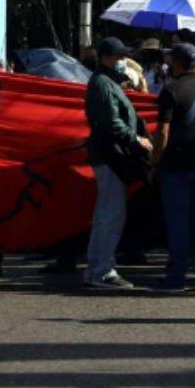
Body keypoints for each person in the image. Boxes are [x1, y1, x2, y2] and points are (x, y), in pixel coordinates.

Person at [83, 37, 147, 290]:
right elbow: (111, 123)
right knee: (111, 214)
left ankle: (96, 267)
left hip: (109, 154)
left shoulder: (107, 82)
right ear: (107, 58)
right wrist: (136, 139)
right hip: (110, 153)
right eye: (119, 57)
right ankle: (102, 271)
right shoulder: (102, 83)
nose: (123, 62)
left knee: (107, 214)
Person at [149, 42, 195, 292]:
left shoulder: (171, 90)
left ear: (176, 63)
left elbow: (163, 133)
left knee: (178, 224)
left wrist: (154, 163)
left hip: (175, 168)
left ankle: (176, 278)